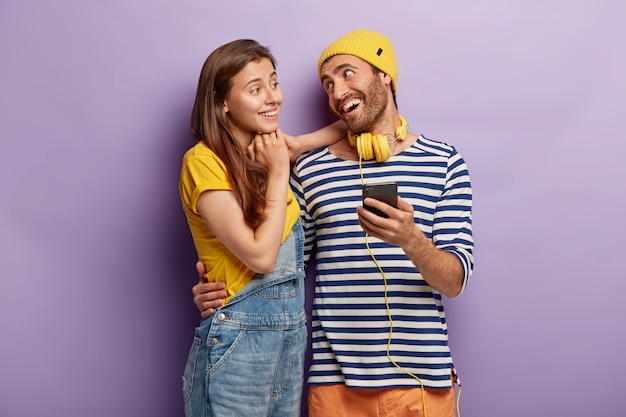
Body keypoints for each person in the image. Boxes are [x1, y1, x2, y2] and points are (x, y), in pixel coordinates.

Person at [193, 29, 474, 417]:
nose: (337, 91)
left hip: (422, 383)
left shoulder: (444, 163)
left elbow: (455, 281)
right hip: (333, 386)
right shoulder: (310, 170)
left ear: (384, 75)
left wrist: (412, 240)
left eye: (347, 74)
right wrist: (220, 290)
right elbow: (279, 264)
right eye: (328, 83)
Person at [179, 38, 343, 417]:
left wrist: (387, 128)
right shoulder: (203, 161)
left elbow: (340, 129)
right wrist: (280, 170)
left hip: (288, 339)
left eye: (274, 82)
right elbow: (261, 256)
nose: (273, 97)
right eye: (255, 89)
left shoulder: (267, 149)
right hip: (237, 338)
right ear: (223, 102)